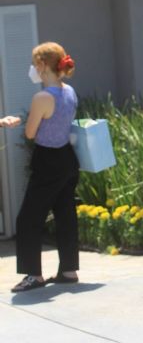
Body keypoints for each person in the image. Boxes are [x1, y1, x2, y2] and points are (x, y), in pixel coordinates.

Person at [11, 42, 80, 293]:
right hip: (68, 158)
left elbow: (30, 133)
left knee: (29, 217)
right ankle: (69, 270)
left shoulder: (42, 97)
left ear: (41, 65)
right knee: (65, 214)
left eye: (34, 63)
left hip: (47, 160)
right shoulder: (70, 91)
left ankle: (33, 275)